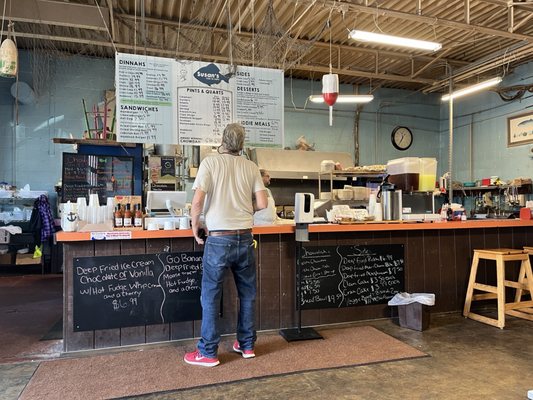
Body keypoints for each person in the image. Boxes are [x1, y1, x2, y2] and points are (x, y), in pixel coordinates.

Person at [184, 123, 268, 367]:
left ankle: (208, 352)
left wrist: (195, 225)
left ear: (222, 140)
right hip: (244, 236)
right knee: (248, 294)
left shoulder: (210, 162)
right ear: (242, 144)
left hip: (219, 238)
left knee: (210, 294)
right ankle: (247, 344)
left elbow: (197, 200)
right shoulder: (251, 166)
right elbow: (262, 203)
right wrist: (243, 209)